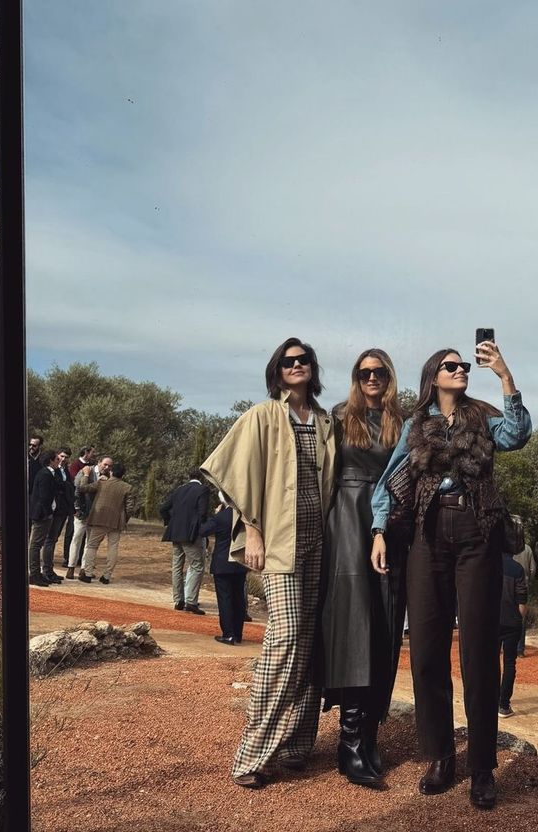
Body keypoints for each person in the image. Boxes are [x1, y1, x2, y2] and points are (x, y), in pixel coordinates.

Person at [371, 341, 531, 811]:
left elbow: (518, 433)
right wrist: (379, 529)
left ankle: (482, 767)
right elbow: (389, 479)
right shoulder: (415, 425)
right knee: (424, 647)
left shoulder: (482, 419)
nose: (460, 370)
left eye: (464, 366)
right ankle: (441, 755)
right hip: (425, 531)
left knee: (479, 649)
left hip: (476, 531)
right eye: (451, 366)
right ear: (432, 377)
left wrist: (504, 376)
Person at [200, 337, 336, 789]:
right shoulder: (262, 415)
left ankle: (296, 745)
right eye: (288, 361)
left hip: (320, 542)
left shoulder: (324, 421)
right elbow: (232, 475)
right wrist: (250, 528)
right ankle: (251, 754)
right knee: (287, 633)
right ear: (277, 371)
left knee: (310, 638)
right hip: (278, 541)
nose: (296, 366)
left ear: (313, 369)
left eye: (304, 360)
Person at [320, 348, 406, 788]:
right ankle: (349, 740)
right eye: (364, 371)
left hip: (391, 521)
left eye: (379, 371)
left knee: (387, 625)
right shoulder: (339, 416)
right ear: (356, 377)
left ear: (389, 376)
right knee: (355, 624)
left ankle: (369, 735)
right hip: (349, 521)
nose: (372, 377)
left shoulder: (402, 420)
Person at [159, 469, 211, 614]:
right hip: (191, 534)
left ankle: (178, 600)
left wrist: (170, 522)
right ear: (202, 478)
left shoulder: (179, 490)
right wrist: (203, 533)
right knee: (196, 565)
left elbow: (163, 508)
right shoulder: (203, 490)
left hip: (175, 532)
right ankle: (191, 601)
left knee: (177, 566)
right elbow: (202, 513)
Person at [201, 494, 248, 645]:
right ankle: (238, 633)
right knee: (238, 598)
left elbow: (203, 530)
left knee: (225, 599)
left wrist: (215, 515)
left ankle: (228, 634)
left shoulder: (221, 517)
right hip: (240, 562)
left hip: (222, 563)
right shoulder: (244, 515)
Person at [79, 462, 134, 584]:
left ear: (111, 472)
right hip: (116, 522)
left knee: (92, 546)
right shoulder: (127, 487)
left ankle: (87, 574)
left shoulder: (102, 483)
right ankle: (107, 576)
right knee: (113, 547)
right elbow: (130, 508)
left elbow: (83, 488)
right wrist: (124, 520)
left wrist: (85, 475)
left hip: (99, 518)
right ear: (123, 475)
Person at [66, 455, 111, 578]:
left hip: (96, 514)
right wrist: (76, 509)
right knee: (76, 539)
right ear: (99, 462)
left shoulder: (108, 477)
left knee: (90, 543)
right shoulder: (86, 471)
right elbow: (77, 489)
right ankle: (70, 567)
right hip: (82, 512)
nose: (107, 467)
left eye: (109, 466)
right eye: (105, 464)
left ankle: (84, 570)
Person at [498, 553, 528, 718]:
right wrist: (518, 619)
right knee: (509, 663)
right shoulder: (517, 569)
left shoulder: (488, 563)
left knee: (490, 663)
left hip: (491, 622)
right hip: (512, 623)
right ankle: (503, 705)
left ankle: (491, 700)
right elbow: (522, 602)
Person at [28, 450, 60, 586]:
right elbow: (44, 497)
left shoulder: (49, 473)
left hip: (44, 513)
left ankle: (36, 573)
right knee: (35, 544)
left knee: (37, 544)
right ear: (51, 461)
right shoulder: (45, 474)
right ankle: (34, 575)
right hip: (42, 515)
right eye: (57, 459)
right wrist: (48, 513)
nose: (59, 461)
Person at [42, 447, 74, 580]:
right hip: (55, 510)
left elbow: (68, 487)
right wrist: (66, 486)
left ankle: (50, 570)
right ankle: (47, 571)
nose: (63, 459)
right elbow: (59, 487)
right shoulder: (52, 470)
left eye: (66, 457)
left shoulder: (65, 469)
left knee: (54, 539)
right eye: (61, 456)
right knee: (50, 540)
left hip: (63, 510)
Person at [64, 446, 96, 563]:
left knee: (83, 536)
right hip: (77, 502)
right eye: (92, 452)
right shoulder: (76, 464)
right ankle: (68, 558)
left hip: (87, 504)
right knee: (72, 532)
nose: (93, 454)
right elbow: (76, 483)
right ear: (86, 452)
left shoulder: (91, 465)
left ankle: (78, 559)